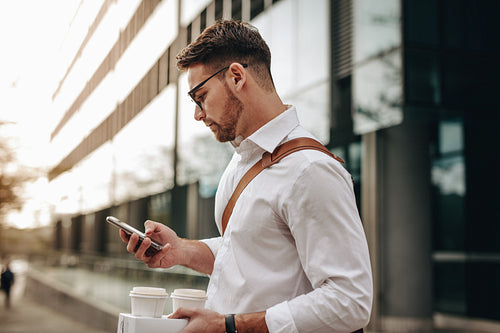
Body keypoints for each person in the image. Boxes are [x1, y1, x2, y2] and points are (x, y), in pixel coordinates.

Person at [120, 20, 372, 333]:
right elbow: (247, 255)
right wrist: (181, 251)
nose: (198, 114)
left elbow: (350, 302)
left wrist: (229, 326)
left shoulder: (310, 170)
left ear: (237, 77)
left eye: (200, 96)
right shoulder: (239, 164)